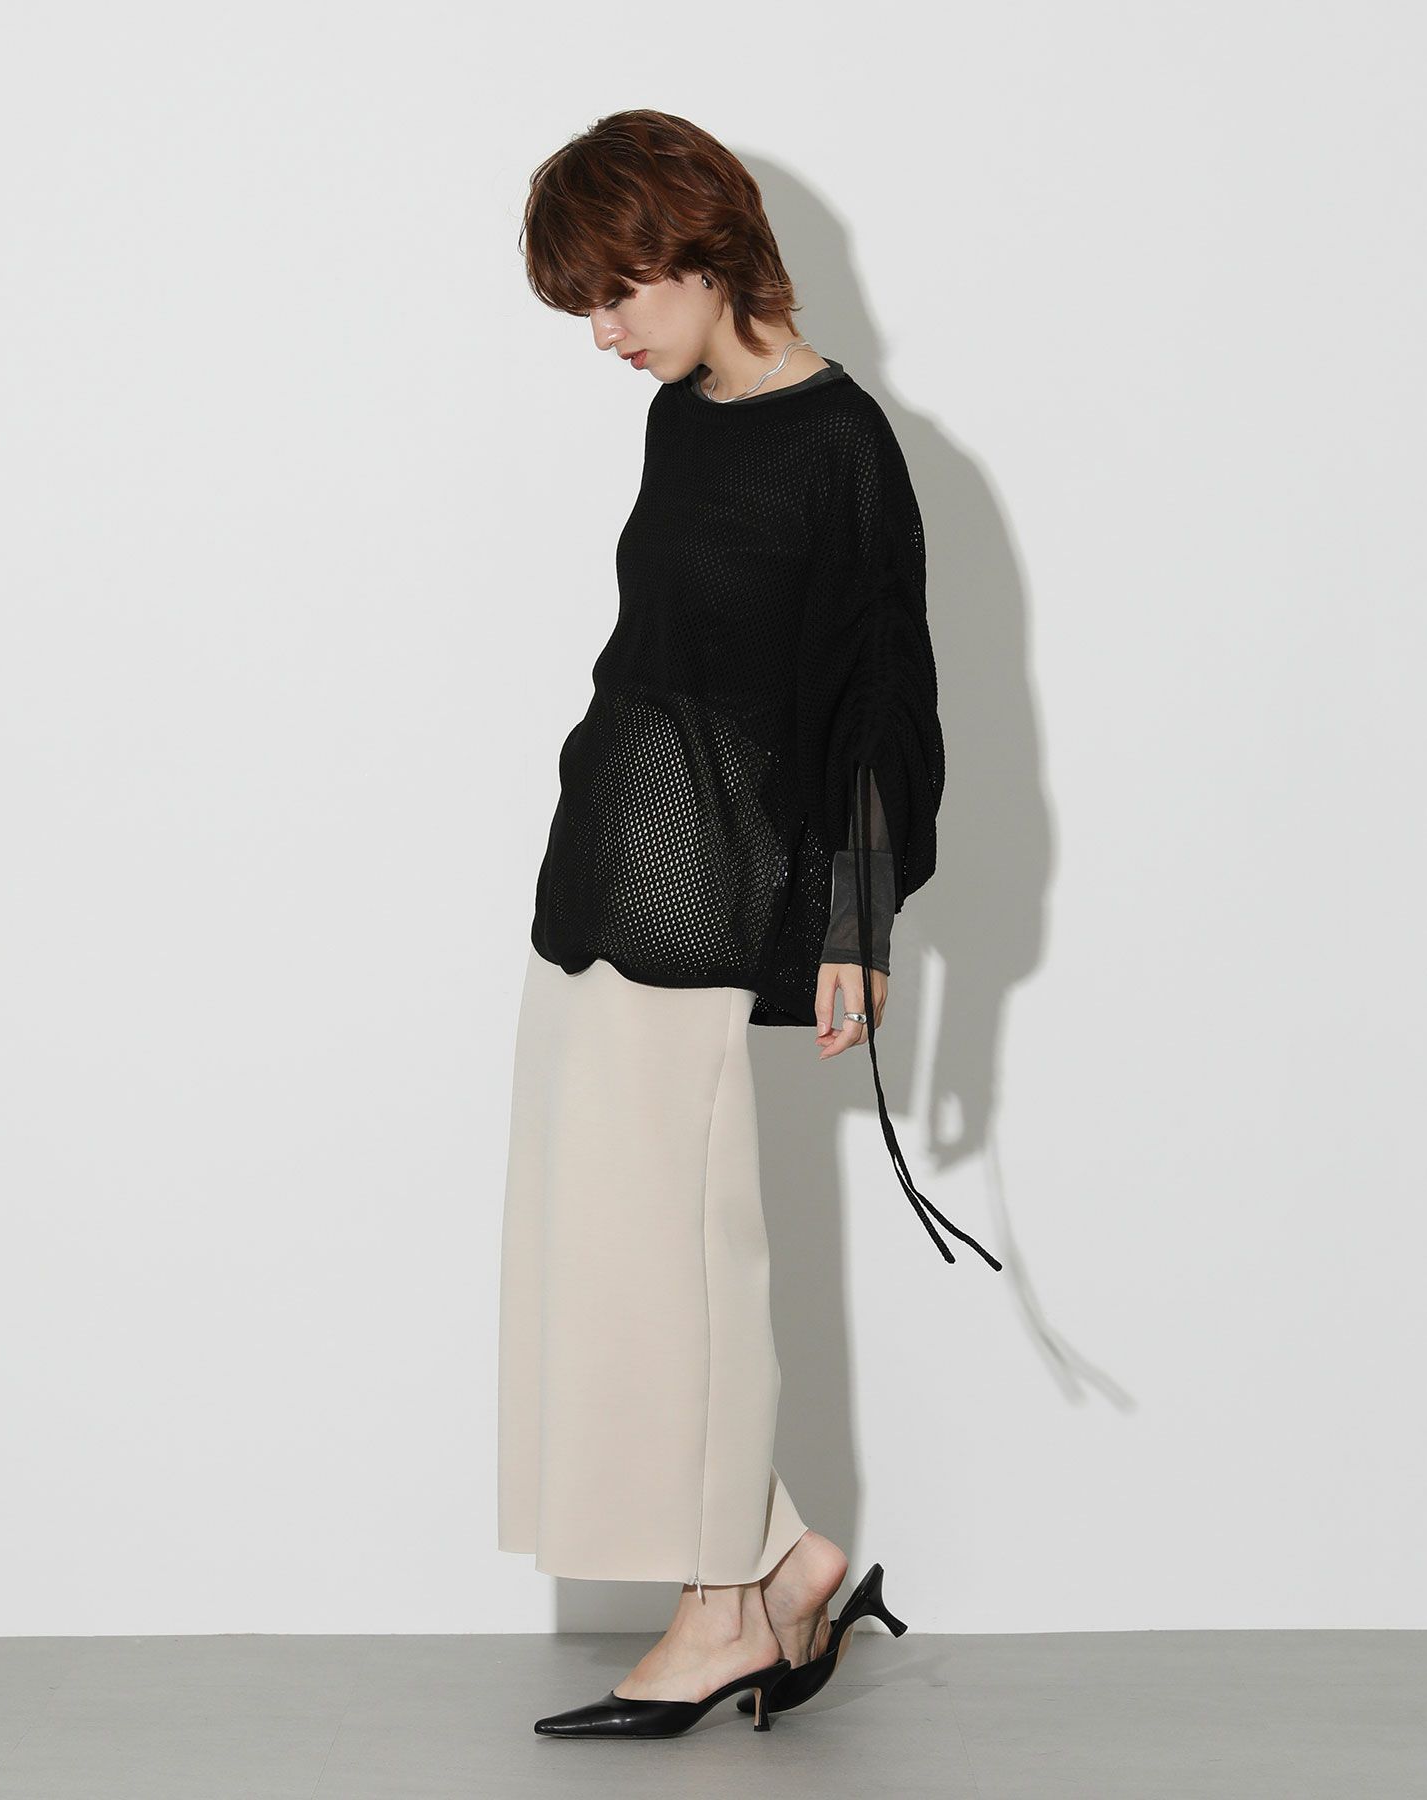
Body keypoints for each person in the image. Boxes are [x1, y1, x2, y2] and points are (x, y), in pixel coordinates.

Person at [497, 109, 1001, 1741]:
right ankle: (784, 1559)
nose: (604, 332)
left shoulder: (842, 443)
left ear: (704, 248)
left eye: (618, 291)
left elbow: (878, 701)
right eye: (585, 303)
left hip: (717, 898)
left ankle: (726, 1608)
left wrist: (855, 919)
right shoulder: (681, 420)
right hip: (602, 885)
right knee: (613, 1253)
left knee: (691, 1261)